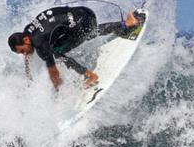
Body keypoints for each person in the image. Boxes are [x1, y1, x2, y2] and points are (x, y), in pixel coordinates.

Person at [8, 6, 145, 91]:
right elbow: (28, 54)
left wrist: (58, 91)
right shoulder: (28, 30)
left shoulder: (39, 44)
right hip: (86, 13)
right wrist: (28, 74)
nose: (24, 54)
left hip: (83, 23)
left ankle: (90, 76)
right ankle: (126, 24)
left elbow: (53, 71)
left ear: (26, 40)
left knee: (57, 52)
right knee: (84, 34)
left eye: (22, 50)